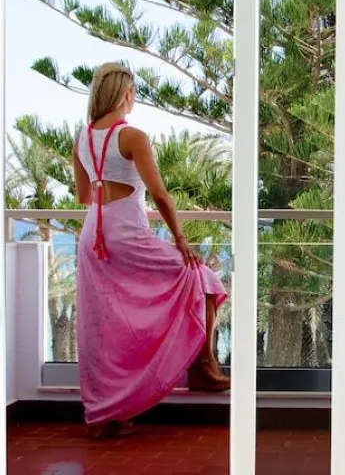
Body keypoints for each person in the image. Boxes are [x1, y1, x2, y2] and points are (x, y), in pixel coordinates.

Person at [73, 62, 230, 439]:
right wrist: (180, 239)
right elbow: (159, 194)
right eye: (133, 92)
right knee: (203, 277)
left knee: (102, 325)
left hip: (93, 235)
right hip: (126, 233)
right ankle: (203, 368)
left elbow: (83, 195)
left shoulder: (82, 138)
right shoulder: (132, 136)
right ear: (126, 94)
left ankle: (103, 416)